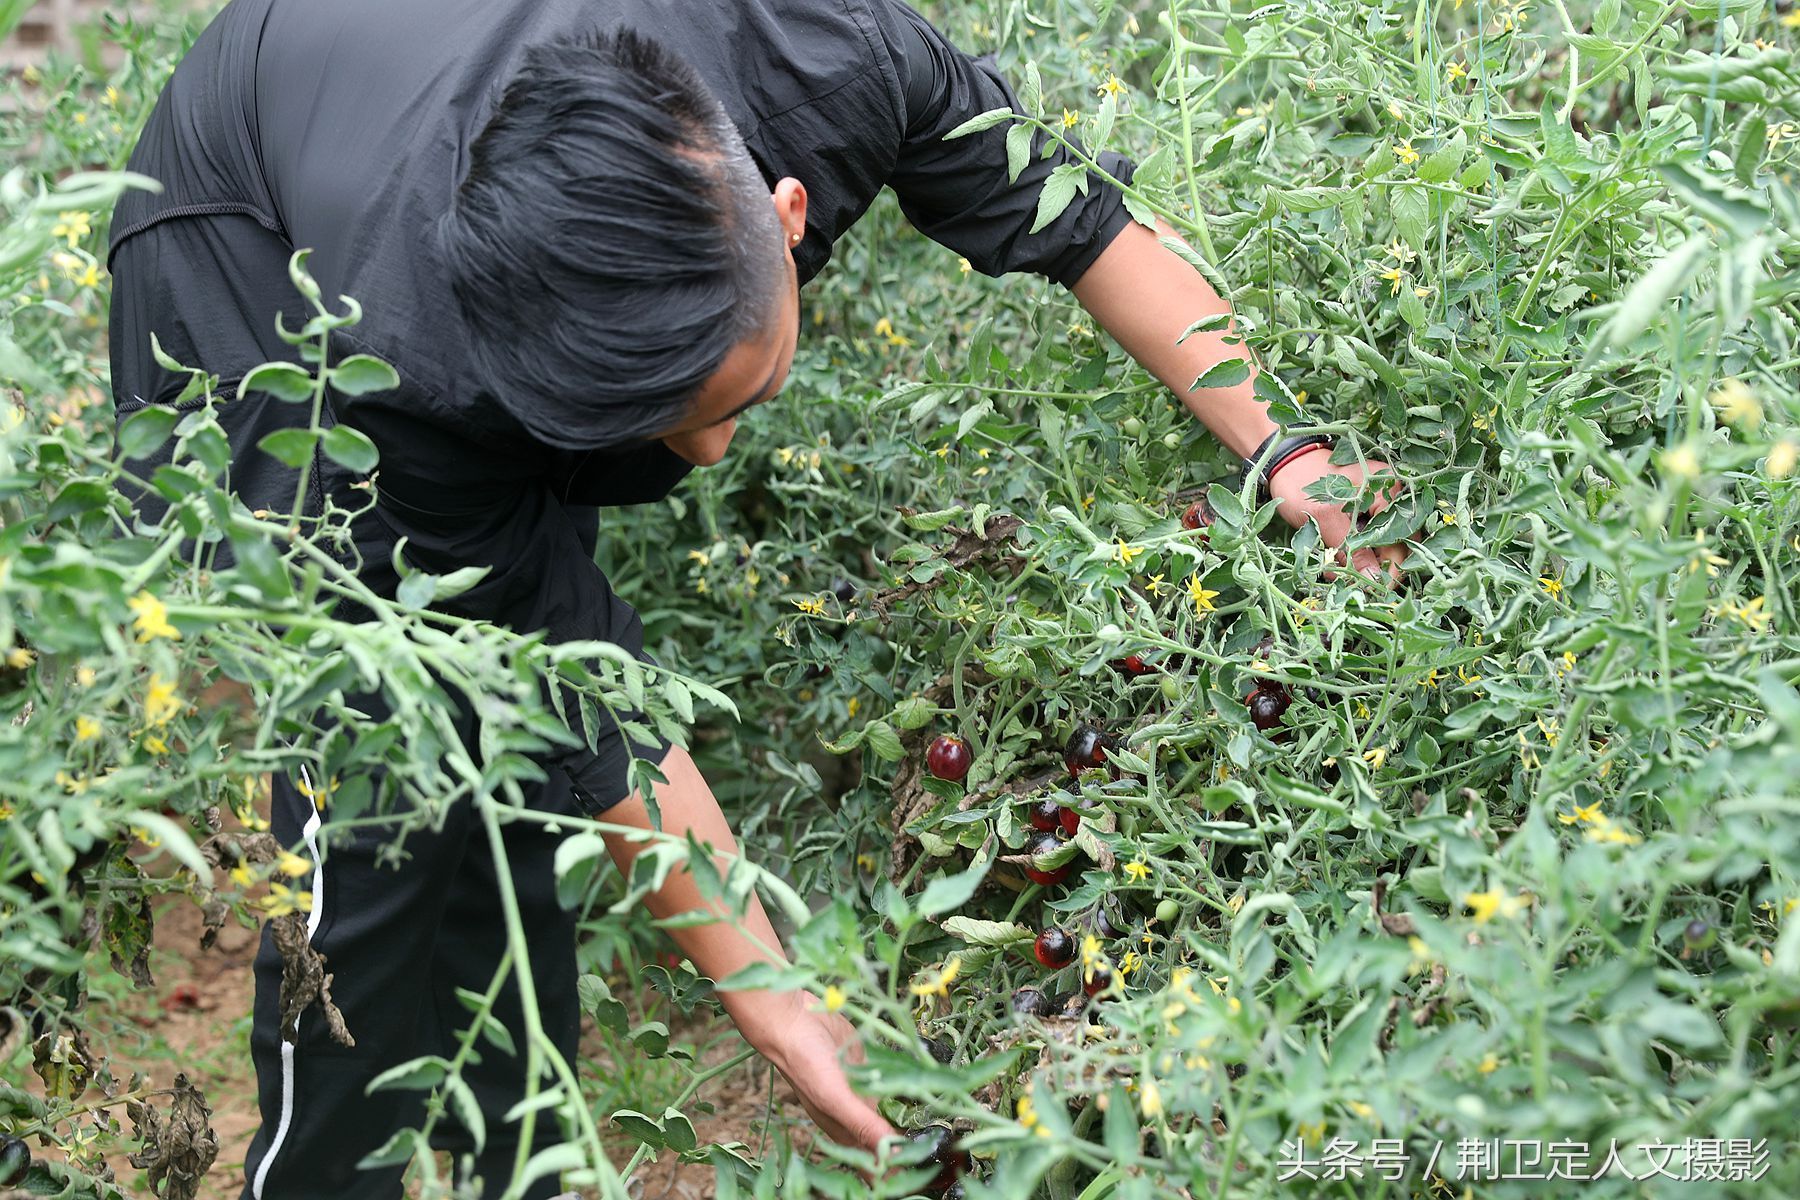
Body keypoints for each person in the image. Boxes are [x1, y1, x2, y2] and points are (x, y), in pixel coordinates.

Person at [106, 1, 1411, 1195]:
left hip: (443, 125)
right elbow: (575, 669)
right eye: (675, 417)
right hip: (246, 250)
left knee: (509, 781)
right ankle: (326, 1165)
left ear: (788, 212)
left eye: (734, 398)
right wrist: (771, 993)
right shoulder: (414, 359)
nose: (712, 453)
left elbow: (1076, 218)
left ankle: (522, 1157)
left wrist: (1284, 449)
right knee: (382, 761)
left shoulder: (840, 59)